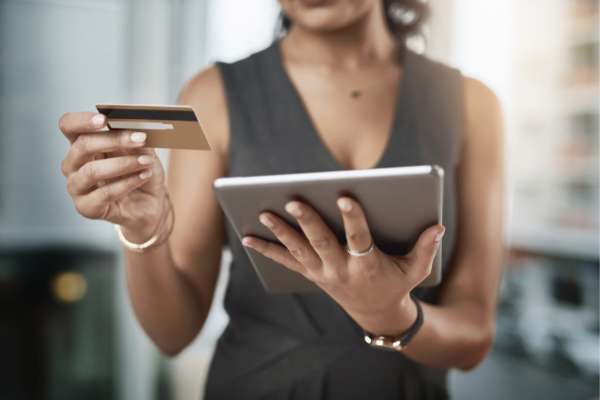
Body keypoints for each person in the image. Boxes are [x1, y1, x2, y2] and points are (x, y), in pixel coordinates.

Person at [58, 0, 504, 398]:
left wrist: (393, 316)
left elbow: (473, 338)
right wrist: (143, 228)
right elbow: (173, 334)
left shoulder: (472, 104)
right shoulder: (213, 95)